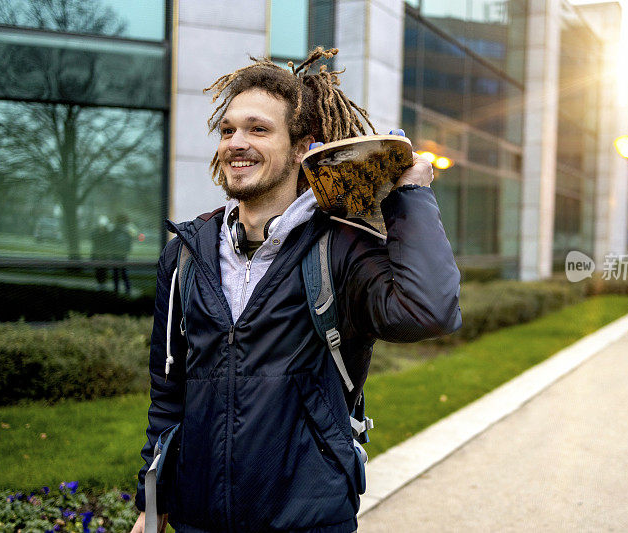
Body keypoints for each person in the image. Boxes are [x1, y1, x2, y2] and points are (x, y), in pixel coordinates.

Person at [131, 47, 461, 533]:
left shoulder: (339, 249)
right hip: (198, 519)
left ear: (303, 147)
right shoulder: (185, 254)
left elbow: (429, 310)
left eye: (258, 129)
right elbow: (168, 394)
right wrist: (151, 502)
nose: (235, 143)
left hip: (308, 518)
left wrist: (409, 192)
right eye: (228, 130)